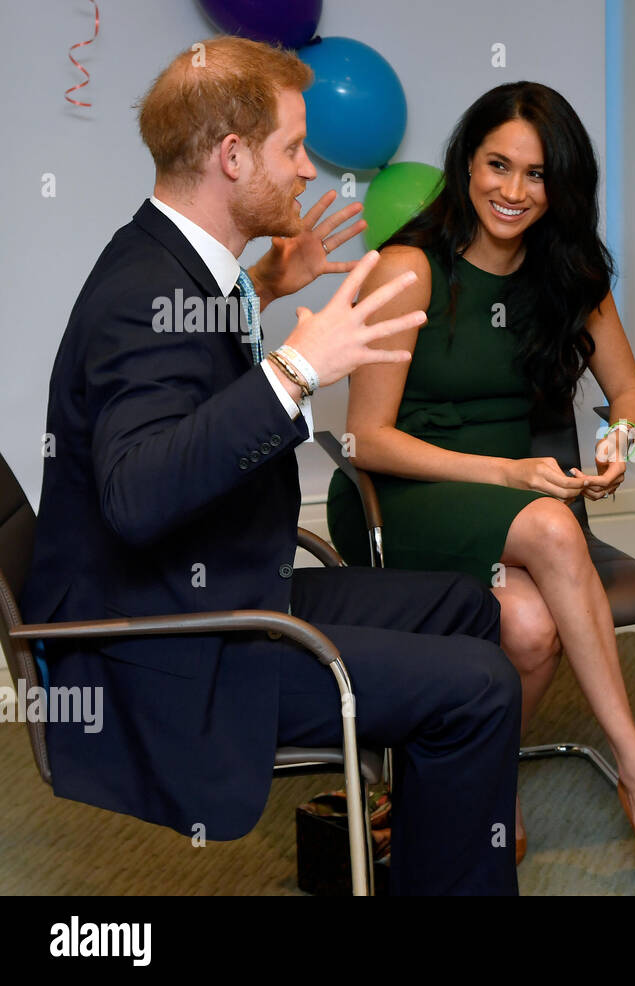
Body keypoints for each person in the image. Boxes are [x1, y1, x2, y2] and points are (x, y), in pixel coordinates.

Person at [21, 37, 522, 895]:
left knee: (469, 607)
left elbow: (183, 378)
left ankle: (425, 862)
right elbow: (137, 494)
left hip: (210, 588)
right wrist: (294, 369)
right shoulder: (145, 294)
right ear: (231, 155)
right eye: (292, 148)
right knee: (478, 684)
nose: (305, 171)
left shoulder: (174, 263)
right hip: (159, 647)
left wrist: (260, 289)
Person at [325, 82, 635, 890]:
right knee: (555, 529)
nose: (514, 190)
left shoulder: (570, 274)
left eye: (537, 175)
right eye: (498, 165)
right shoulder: (408, 269)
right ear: (467, 163)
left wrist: (617, 440)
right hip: (400, 500)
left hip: (513, 504)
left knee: (529, 630)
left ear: (561, 186)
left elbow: (632, 395)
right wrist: (506, 473)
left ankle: (480, 791)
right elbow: (368, 439)